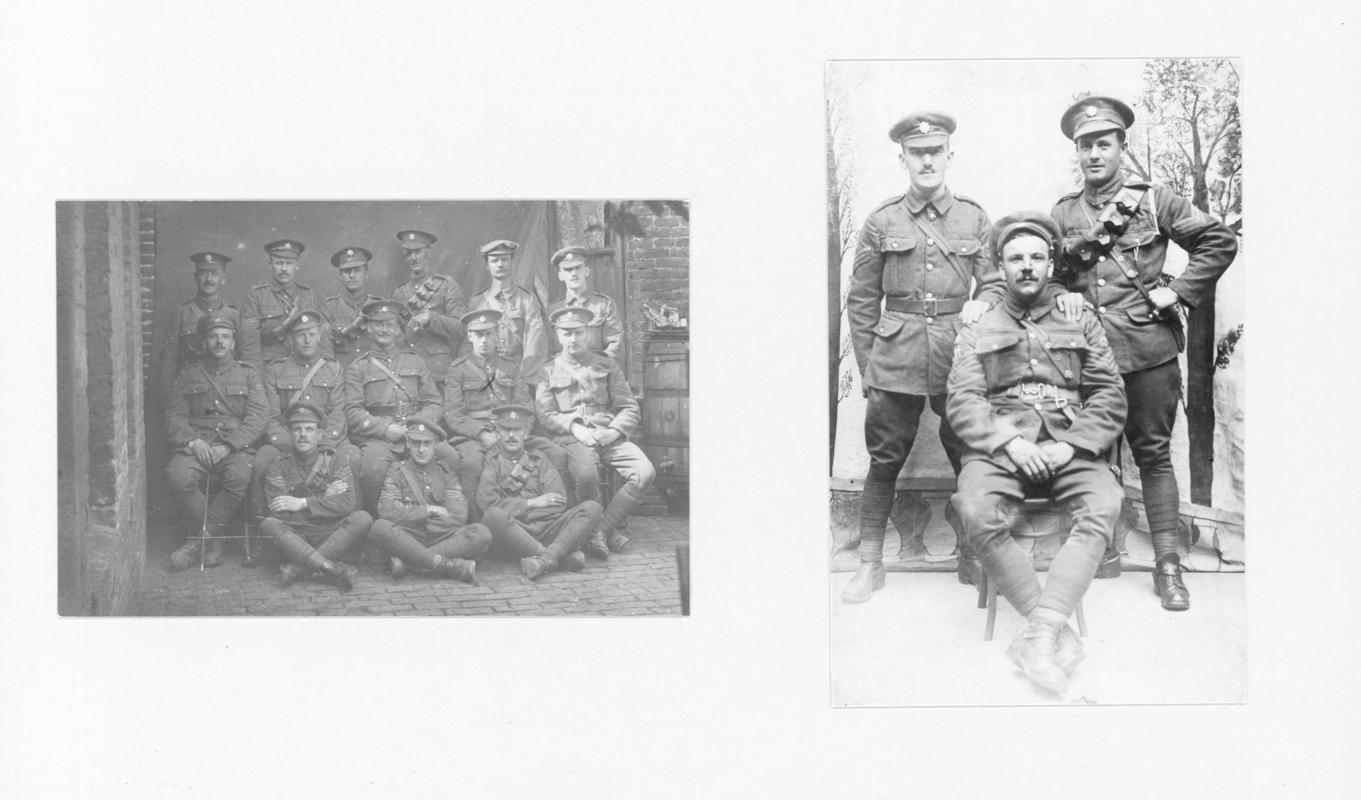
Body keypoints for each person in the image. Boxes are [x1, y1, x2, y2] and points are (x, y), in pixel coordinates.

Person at [1050, 96, 1238, 611]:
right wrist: (1061, 296)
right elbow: (1054, 280)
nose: (1093, 153)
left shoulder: (1153, 200)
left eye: (1102, 143)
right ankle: (1098, 552)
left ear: (1120, 147)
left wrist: (1176, 291)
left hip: (1146, 350)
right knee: (1087, 451)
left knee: (1153, 455)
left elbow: (1218, 241)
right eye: (1084, 145)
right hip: (1086, 355)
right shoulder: (1064, 212)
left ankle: (1168, 567)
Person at [947, 211, 1127, 694]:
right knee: (976, 509)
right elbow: (962, 400)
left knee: (1104, 504)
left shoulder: (1080, 316)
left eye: (1036, 257)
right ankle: (1050, 629)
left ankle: (1038, 635)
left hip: (1070, 444)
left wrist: (1071, 445)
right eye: (1015, 258)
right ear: (1000, 267)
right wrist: (1009, 440)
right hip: (1003, 448)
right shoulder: (980, 320)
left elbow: (1110, 394)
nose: (1026, 266)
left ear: (1051, 265)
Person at [843, 111, 1013, 601]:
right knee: (884, 459)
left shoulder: (974, 218)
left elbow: (997, 282)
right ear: (903, 158)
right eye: (917, 152)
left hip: (958, 354)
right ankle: (870, 564)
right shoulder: (883, 220)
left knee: (969, 453)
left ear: (949, 155)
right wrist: (870, 366)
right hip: (894, 355)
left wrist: (986, 303)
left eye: (934, 151)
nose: (926, 160)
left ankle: (974, 554)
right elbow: (860, 299)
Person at [536, 306, 655, 559]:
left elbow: (629, 406)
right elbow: (545, 414)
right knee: (587, 475)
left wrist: (614, 431)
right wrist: (576, 428)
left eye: (578, 332)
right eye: (566, 333)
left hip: (606, 434)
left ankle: (598, 531)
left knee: (645, 472)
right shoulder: (547, 371)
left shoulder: (605, 364)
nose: (573, 339)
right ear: (558, 335)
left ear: (588, 334)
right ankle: (601, 533)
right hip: (574, 438)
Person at [164, 314, 268, 570]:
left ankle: (198, 542)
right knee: (179, 477)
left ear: (233, 342)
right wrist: (193, 441)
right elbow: (174, 417)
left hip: (233, 447)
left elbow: (257, 417)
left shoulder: (248, 374)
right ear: (203, 341)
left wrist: (230, 445)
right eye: (213, 336)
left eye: (225, 336)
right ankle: (215, 538)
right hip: (196, 445)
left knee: (240, 477)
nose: (219, 342)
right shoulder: (189, 374)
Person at [443, 308, 568, 519]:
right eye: (479, 335)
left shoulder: (510, 367)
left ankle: (551, 520)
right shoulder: (458, 370)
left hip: (513, 433)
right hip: (474, 437)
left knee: (557, 453)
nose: (484, 340)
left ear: (497, 335)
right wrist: (482, 433)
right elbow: (453, 414)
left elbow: (526, 407)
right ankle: (478, 523)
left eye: (489, 334)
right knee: (472, 462)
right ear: (470, 336)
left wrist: (521, 433)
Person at [251, 311, 355, 553]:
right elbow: (272, 417)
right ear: (290, 339)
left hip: (326, 439)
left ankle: (344, 537)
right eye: (300, 336)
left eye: (311, 334)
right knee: (261, 461)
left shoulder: (334, 369)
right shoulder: (275, 370)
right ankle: (260, 536)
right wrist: (296, 444)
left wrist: (322, 442)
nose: (307, 340)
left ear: (320, 336)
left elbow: (338, 413)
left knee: (355, 459)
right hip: (287, 441)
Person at [343, 299, 444, 515]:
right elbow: (353, 412)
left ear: (397, 328)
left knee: (449, 456)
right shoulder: (358, 367)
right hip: (381, 438)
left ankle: (438, 521)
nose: (384, 329)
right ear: (369, 328)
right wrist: (385, 429)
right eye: (378, 325)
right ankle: (375, 523)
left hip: (419, 433)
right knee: (373, 467)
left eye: (389, 324)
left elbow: (434, 401)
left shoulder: (415, 361)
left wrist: (419, 426)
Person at [258, 402, 371, 590]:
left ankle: (300, 568)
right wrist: (326, 500)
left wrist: (302, 503)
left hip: (330, 532)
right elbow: (279, 512)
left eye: (309, 429)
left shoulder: (336, 459)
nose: (303, 435)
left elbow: (348, 504)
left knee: (362, 518)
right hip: (297, 534)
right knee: (269, 524)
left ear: (319, 434)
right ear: (290, 433)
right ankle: (330, 567)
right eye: (297, 429)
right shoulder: (277, 465)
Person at [478, 405, 597, 579]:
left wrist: (519, 511)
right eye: (506, 430)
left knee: (592, 507)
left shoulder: (539, 460)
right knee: (493, 516)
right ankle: (556, 557)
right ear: (498, 432)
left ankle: (543, 560)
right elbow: (488, 504)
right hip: (515, 532)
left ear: (526, 432)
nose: (511, 435)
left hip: (547, 528)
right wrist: (533, 503)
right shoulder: (492, 463)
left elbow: (559, 502)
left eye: (517, 430)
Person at [368, 420, 491, 584]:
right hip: (409, 536)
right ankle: (447, 565)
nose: (421, 450)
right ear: (408, 444)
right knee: (379, 526)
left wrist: (412, 517)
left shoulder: (446, 472)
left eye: (427, 443)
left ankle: (410, 562)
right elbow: (387, 512)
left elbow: (459, 515)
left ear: (436, 445)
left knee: (482, 533)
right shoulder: (396, 471)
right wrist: (428, 511)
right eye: (416, 443)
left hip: (440, 537)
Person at [157, 251, 256, 407]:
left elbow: (248, 359)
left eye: (214, 274)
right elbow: (169, 360)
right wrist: (168, 402)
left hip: (228, 396)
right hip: (190, 393)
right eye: (203, 273)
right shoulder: (181, 314)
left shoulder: (234, 315)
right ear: (196, 277)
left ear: (223, 278)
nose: (209, 279)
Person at [391, 229, 467, 390]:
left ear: (429, 252)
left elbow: (461, 328)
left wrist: (430, 318)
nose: (413, 258)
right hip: (410, 373)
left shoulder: (446, 285)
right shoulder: (399, 293)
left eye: (418, 251)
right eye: (408, 253)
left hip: (439, 374)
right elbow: (397, 338)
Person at [465, 239, 548, 381]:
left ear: (513, 264)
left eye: (504, 259)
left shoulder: (527, 300)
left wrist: (524, 379)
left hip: (520, 373)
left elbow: (535, 343)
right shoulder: (477, 302)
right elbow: (470, 345)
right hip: (486, 374)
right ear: (486, 265)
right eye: (494, 260)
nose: (500, 264)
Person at [241, 239, 331, 368]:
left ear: (297, 265)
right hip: (268, 369)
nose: (284, 269)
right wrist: (256, 379)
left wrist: (325, 370)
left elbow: (322, 338)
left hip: (302, 371)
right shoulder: (256, 296)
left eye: (289, 263)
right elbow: (250, 345)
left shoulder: (308, 295)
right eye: (279, 263)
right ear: (269, 264)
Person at [546, 245, 623, 358]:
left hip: (596, 371)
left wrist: (599, 368)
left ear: (586, 271)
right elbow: (548, 349)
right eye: (568, 270)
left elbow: (615, 343)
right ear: (560, 276)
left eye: (578, 268)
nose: (573, 274)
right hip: (564, 372)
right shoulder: (553, 310)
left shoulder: (604, 305)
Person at [321, 246, 383, 370]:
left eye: (357, 270)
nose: (352, 275)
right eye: (347, 271)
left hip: (373, 374)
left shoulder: (379, 306)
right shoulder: (329, 307)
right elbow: (325, 352)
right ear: (340, 275)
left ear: (367, 273)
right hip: (341, 373)